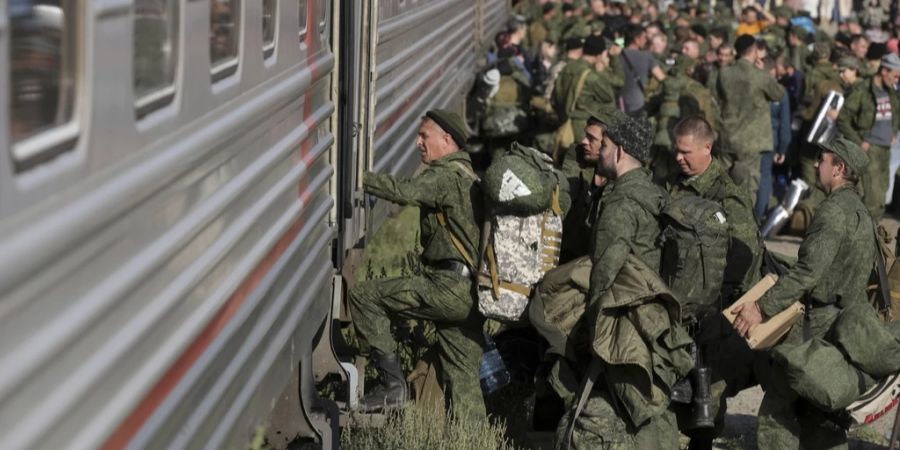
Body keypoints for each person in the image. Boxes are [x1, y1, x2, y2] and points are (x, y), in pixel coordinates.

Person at [732, 138, 875, 450]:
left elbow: (808, 273)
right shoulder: (862, 213)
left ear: (838, 168)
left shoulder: (833, 213)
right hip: (844, 324)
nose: (815, 164)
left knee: (777, 410)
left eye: (822, 160)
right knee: (821, 417)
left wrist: (761, 307)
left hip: (817, 327)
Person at [558, 114, 687, 450]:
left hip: (624, 321)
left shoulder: (620, 203)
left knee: (630, 411)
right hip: (655, 318)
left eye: (605, 144)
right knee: (652, 404)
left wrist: (590, 330)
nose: (599, 150)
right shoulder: (652, 191)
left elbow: (605, 272)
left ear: (618, 151)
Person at [347, 110, 486, 420]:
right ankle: (475, 437)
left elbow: (405, 192)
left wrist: (356, 178)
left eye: (424, 136)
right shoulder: (469, 175)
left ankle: (392, 387)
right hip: (471, 294)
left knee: (365, 296)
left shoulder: (445, 175)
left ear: (447, 139)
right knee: (464, 380)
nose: (417, 143)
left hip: (446, 289)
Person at [664, 117, 763, 450]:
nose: (679, 158)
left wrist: (719, 304)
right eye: (676, 151)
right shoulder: (672, 185)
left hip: (711, 310)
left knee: (708, 393)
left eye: (685, 152)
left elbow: (746, 254)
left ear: (707, 148)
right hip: (674, 303)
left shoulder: (727, 196)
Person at [716, 34, 786, 199]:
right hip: (751, 140)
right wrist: (764, 73)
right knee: (747, 187)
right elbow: (778, 94)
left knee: (723, 182)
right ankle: (744, 222)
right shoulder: (759, 75)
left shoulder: (724, 73)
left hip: (728, 136)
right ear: (754, 51)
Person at [837, 52, 900, 219]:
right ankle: (863, 239)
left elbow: (896, 112)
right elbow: (843, 119)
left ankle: (869, 236)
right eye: (895, 76)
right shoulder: (863, 90)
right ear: (884, 71)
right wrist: (859, 142)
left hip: (886, 150)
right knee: (871, 198)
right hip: (868, 149)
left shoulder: (891, 91)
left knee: (881, 197)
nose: (896, 80)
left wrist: (893, 132)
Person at [620, 24, 667, 116]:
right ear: (636, 39)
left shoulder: (617, 55)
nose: (646, 40)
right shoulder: (645, 56)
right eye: (644, 37)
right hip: (637, 105)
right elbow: (661, 78)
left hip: (619, 104)